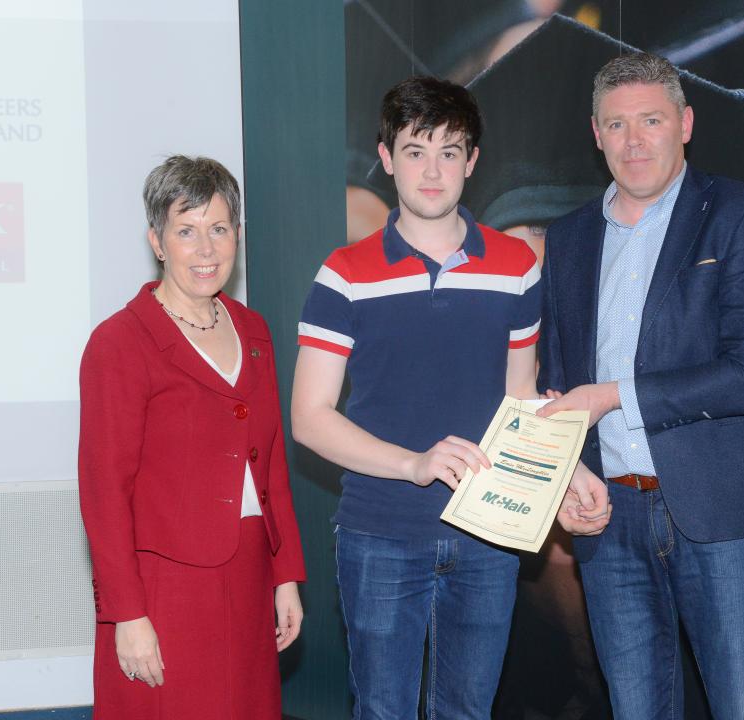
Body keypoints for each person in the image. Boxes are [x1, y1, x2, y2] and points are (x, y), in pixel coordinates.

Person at [537, 52, 744, 718]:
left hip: (719, 513)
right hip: (610, 519)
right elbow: (556, 380)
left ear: (685, 124)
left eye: (652, 120)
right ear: (596, 132)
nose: (634, 141)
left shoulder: (739, 212)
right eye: (617, 124)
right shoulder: (571, 237)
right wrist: (568, 478)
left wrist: (612, 396)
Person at [291, 76, 541, 719]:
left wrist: (554, 458)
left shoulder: (518, 265)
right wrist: (413, 463)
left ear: (472, 162)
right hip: (380, 534)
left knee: (468, 712)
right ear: (385, 158)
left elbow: (521, 396)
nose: (432, 171)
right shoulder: (343, 274)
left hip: (488, 535)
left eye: (450, 151)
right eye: (414, 150)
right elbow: (309, 419)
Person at [78, 155, 306, 720]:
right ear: (157, 241)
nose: (206, 249)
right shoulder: (119, 343)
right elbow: (104, 493)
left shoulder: (253, 330)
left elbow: (271, 465)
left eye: (219, 228)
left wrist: (286, 577)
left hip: (250, 576)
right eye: (187, 230)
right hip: (164, 589)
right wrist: (126, 616)